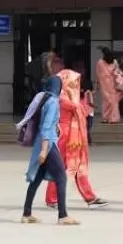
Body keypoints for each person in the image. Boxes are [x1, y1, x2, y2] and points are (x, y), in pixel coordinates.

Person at [44, 69, 107, 210]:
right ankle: (52, 199)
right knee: (59, 167)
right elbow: (77, 108)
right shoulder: (61, 98)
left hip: (74, 136)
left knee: (78, 167)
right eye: (73, 83)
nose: (76, 86)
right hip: (64, 136)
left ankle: (89, 197)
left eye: (77, 82)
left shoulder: (70, 98)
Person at [21, 75, 79, 226]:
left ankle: (26, 214)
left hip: (42, 142)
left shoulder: (43, 98)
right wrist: (44, 150)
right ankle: (63, 215)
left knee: (37, 178)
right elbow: (46, 126)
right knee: (61, 177)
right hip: (48, 145)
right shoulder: (53, 101)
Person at [95, 48, 123, 125]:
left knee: (106, 101)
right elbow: (118, 72)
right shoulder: (114, 61)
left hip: (104, 83)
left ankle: (106, 118)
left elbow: (98, 74)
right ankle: (114, 118)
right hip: (113, 83)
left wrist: (97, 84)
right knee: (114, 101)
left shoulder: (100, 62)